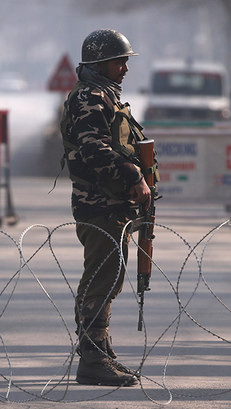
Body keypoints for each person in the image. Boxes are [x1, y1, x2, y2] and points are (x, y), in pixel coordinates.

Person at [60, 29, 154, 387]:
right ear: (100, 63)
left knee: (109, 278)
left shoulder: (104, 96)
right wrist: (133, 176)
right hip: (98, 204)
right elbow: (93, 148)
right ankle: (92, 361)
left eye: (127, 60)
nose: (126, 68)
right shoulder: (90, 97)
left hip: (111, 204)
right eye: (119, 61)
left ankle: (101, 352)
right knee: (101, 280)